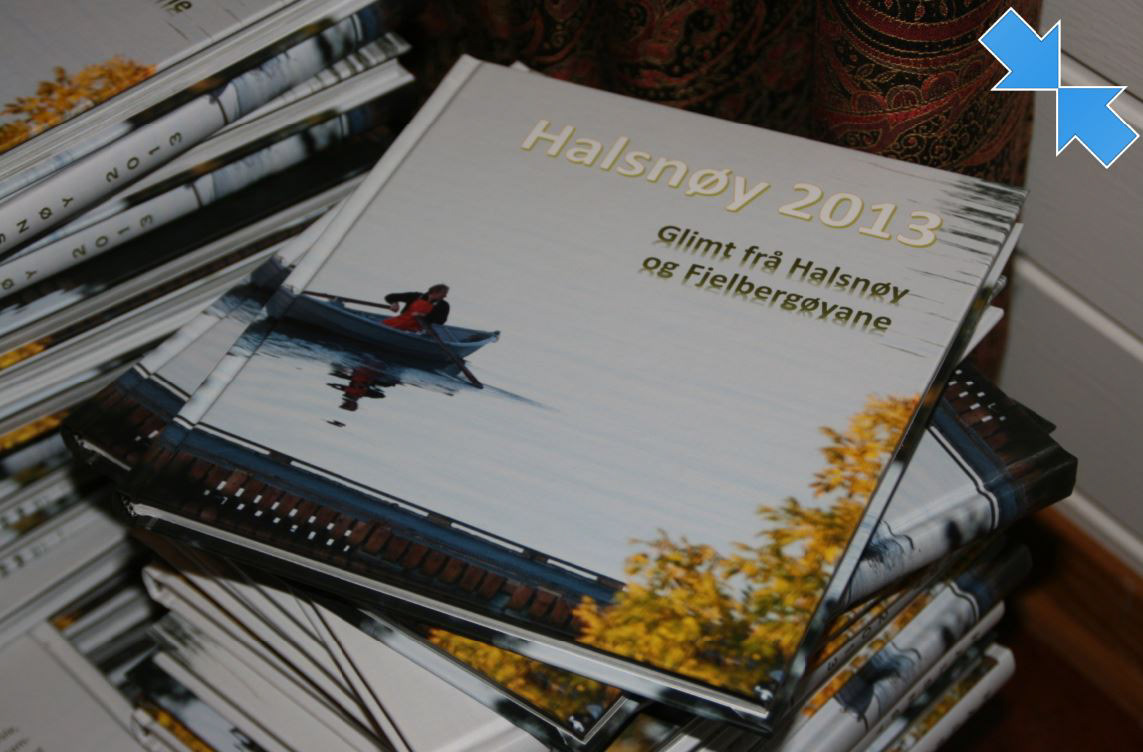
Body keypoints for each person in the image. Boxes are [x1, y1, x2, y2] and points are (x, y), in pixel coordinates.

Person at [382, 284, 449, 332]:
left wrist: (424, 316)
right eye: (444, 293)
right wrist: (394, 303)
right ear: (434, 292)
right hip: (399, 322)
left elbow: (440, 321)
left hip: (417, 330)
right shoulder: (415, 296)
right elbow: (390, 297)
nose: (445, 296)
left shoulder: (443, 305)